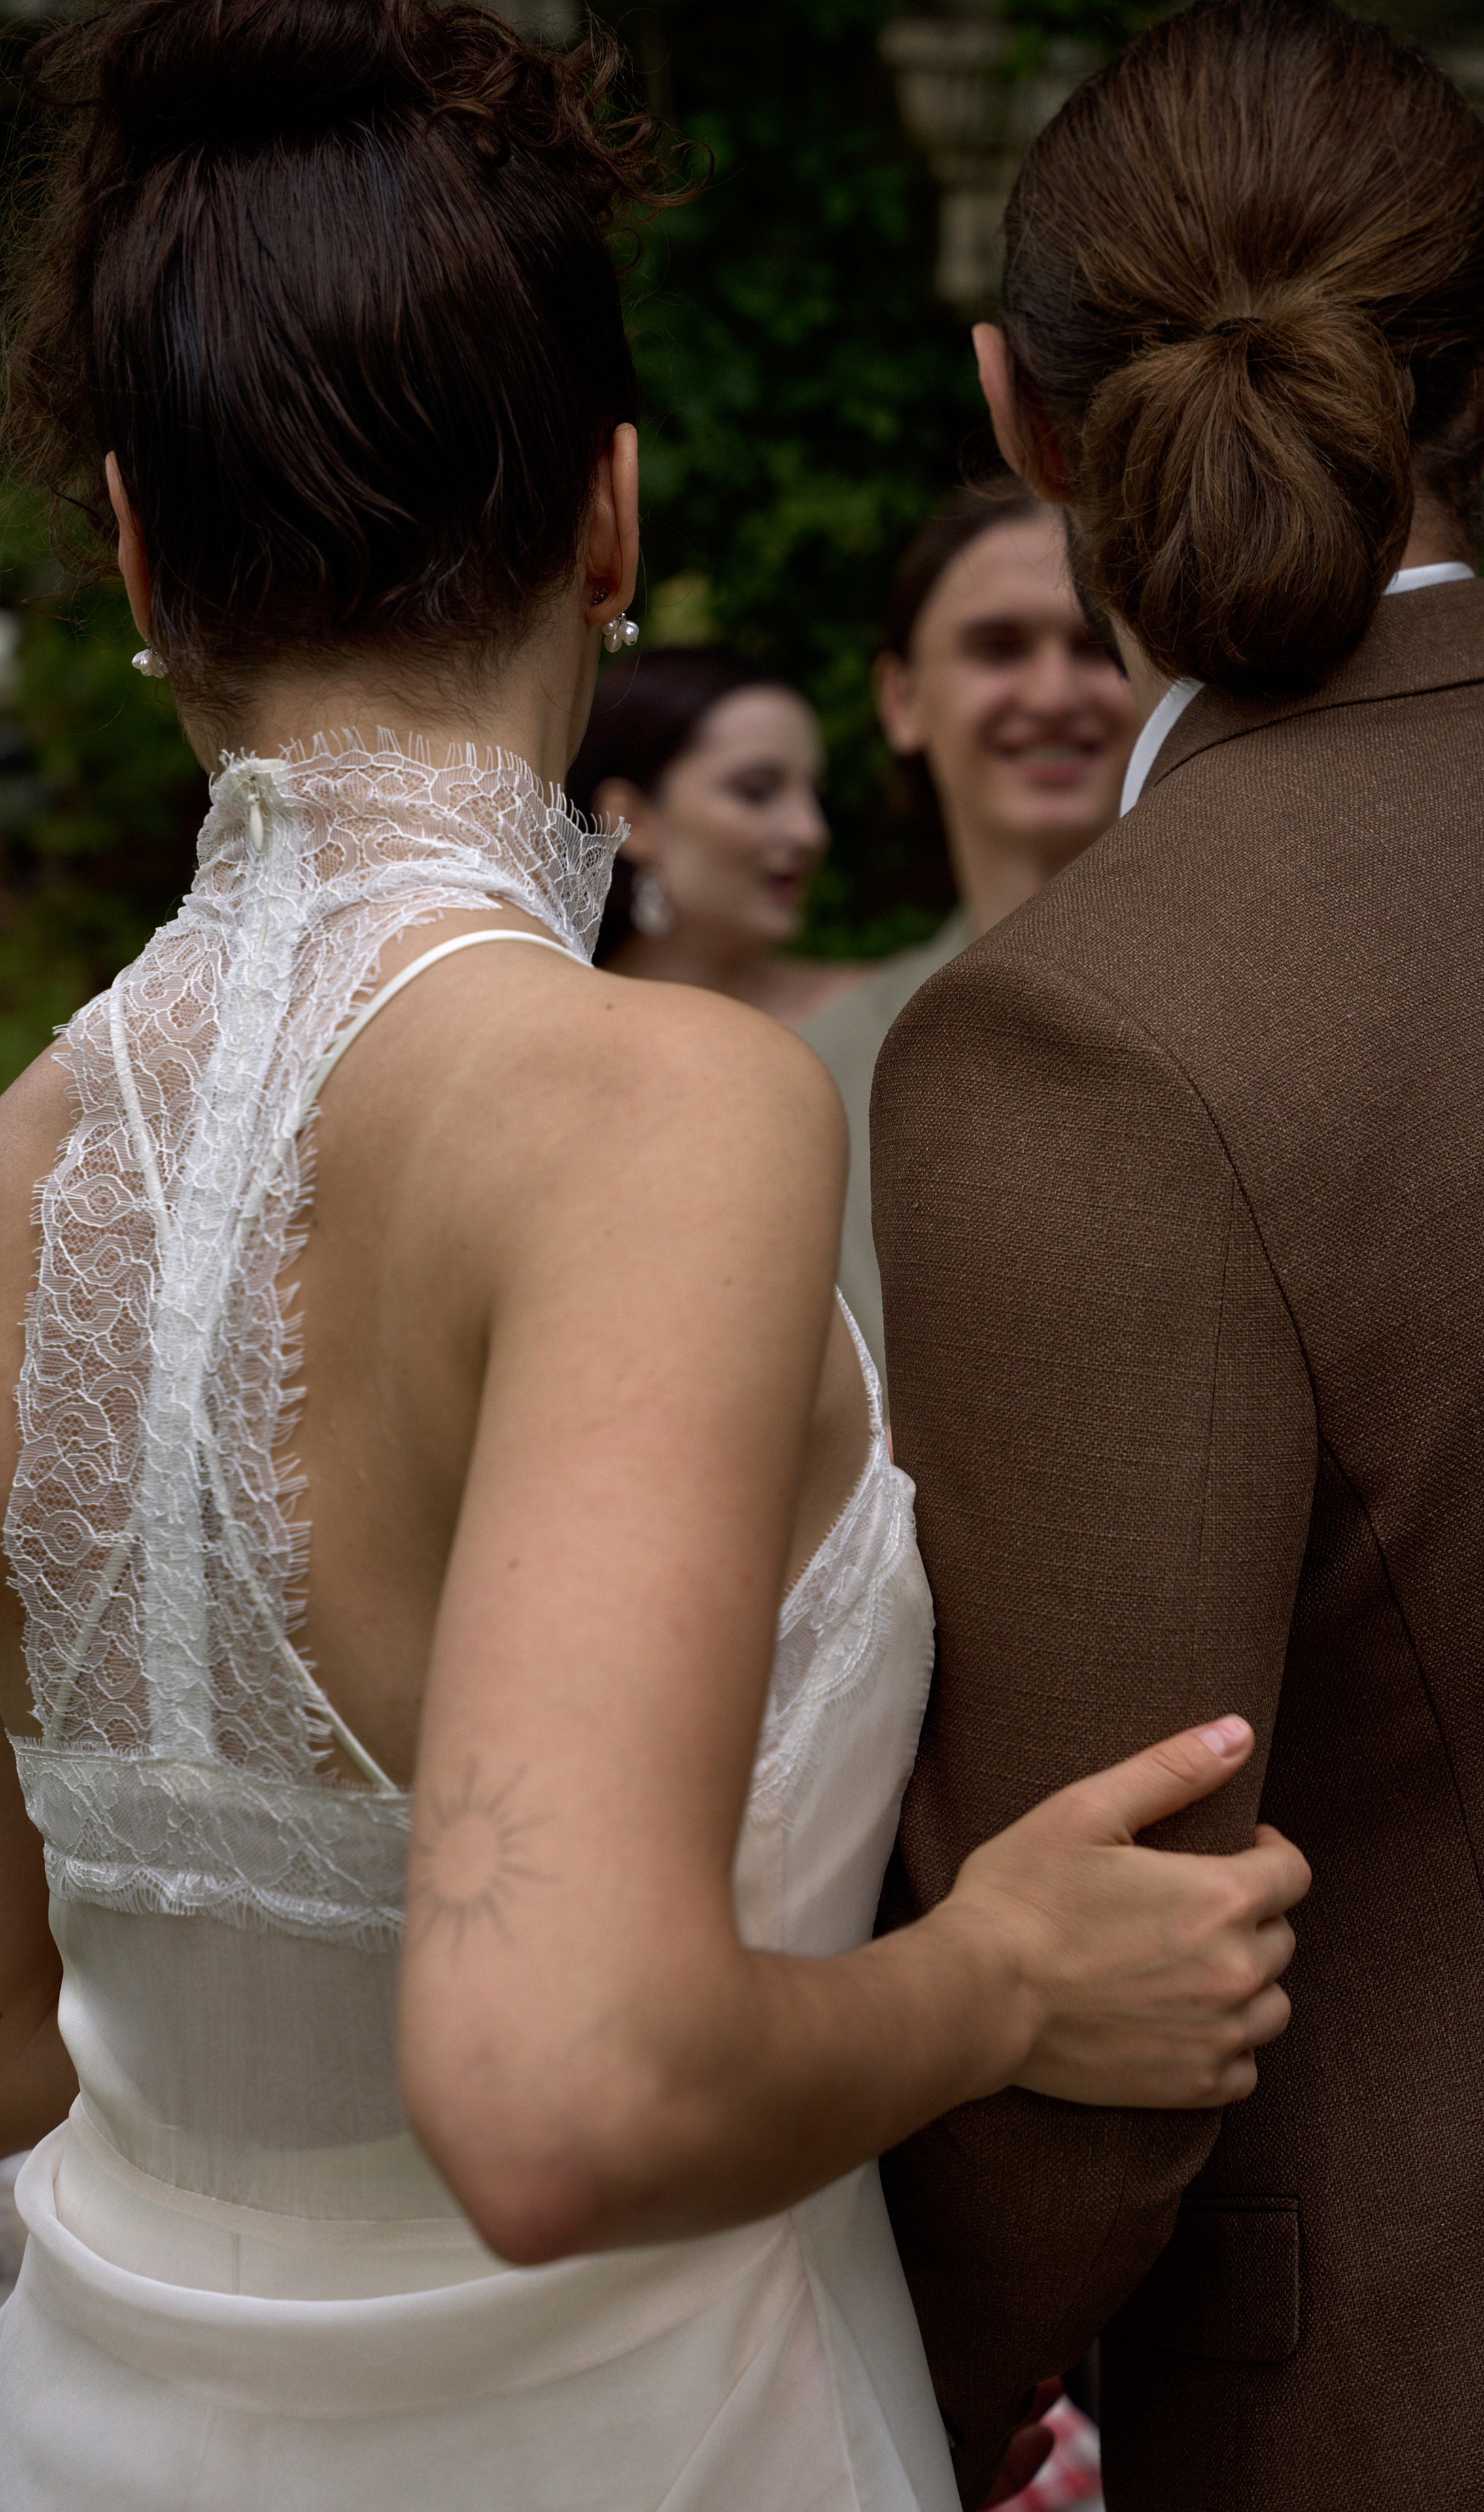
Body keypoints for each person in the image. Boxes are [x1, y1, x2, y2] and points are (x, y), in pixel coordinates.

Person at [0, 4, 1313, 2509]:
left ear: (142, 548)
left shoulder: (12, 1173)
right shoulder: (648, 1111)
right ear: (612, 517)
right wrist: (994, 1977)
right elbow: (560, 2090)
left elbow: (8, 2039)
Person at [870, 3, 1484, 2506]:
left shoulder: (1081, 1037)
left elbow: (1108, 1945)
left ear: (1017, 413)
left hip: (1449, 2400)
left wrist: (931, 2372)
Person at [799, 487, 1136, 1389]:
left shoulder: (1280, 1021)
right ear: (902, 699)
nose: (1053, 692)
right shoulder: (820, 1080)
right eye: (997, 648)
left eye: (1097, 648)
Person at [573, 644, 861, 1024]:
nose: (811, 832)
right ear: (632, 820)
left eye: (815, 796)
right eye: (757, 791)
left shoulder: (887, 1016)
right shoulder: (552, 1025)